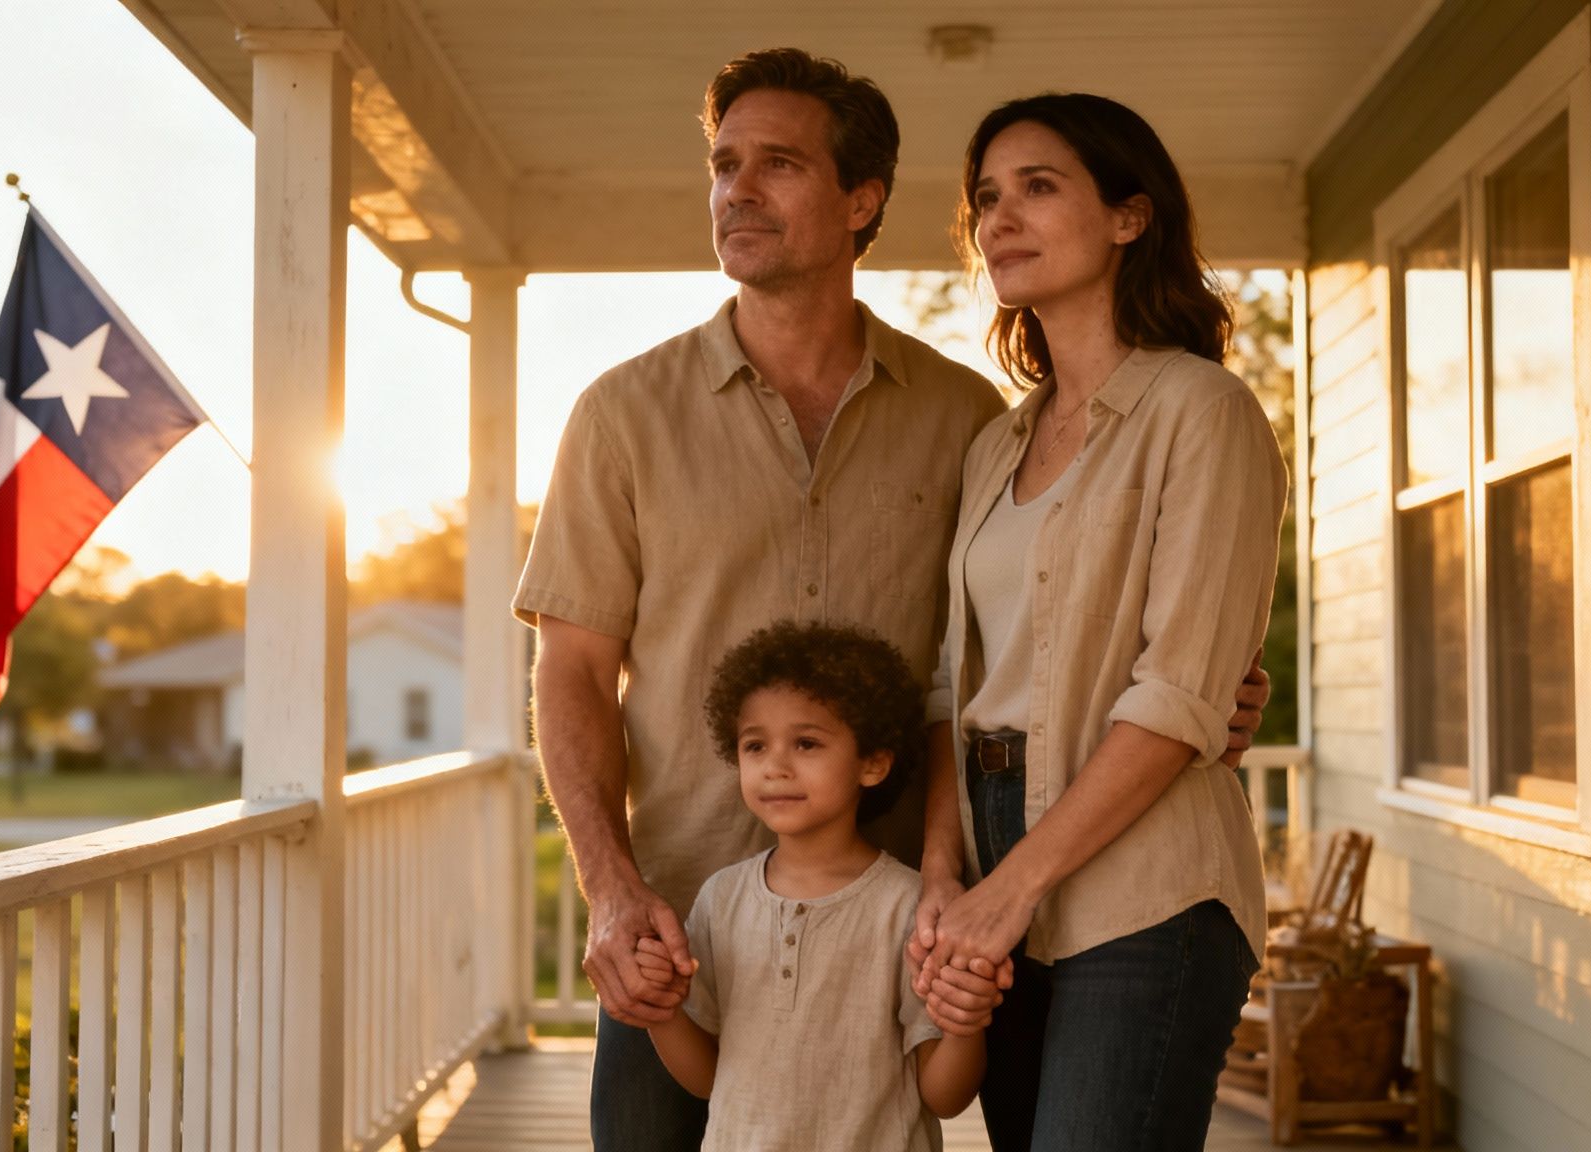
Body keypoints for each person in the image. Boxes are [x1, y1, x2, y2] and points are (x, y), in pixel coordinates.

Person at [514, 49, 1271, 1149]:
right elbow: (573, 669)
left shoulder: (964, 416)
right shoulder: (623, 415)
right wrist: (611, 891)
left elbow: (1056, 657)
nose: (737, 188)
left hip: (906, 918)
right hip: (688, 917)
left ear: (861, 199)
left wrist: (1198, 700)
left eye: (777, 163)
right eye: (724, 164)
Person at [908, 93, 1290, 1151]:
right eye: (985, 198)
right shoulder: (997, 446)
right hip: (992, 868)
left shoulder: (1200, 415)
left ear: (1130, 216)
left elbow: (1180, 692)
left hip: (1143, 889)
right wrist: (949, 875)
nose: (999, 220)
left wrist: (1014, 888)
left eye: (1038, 188)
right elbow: (954, 686)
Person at [636, 621, 1003, 1150]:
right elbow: (709, 1082)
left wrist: (967, 1021)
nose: (775, 767)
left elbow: (945, 1098)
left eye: (806, 743)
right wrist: (663, 1011)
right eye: (755, 746)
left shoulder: (908, 909)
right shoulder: (721, 899)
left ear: (873, 763)